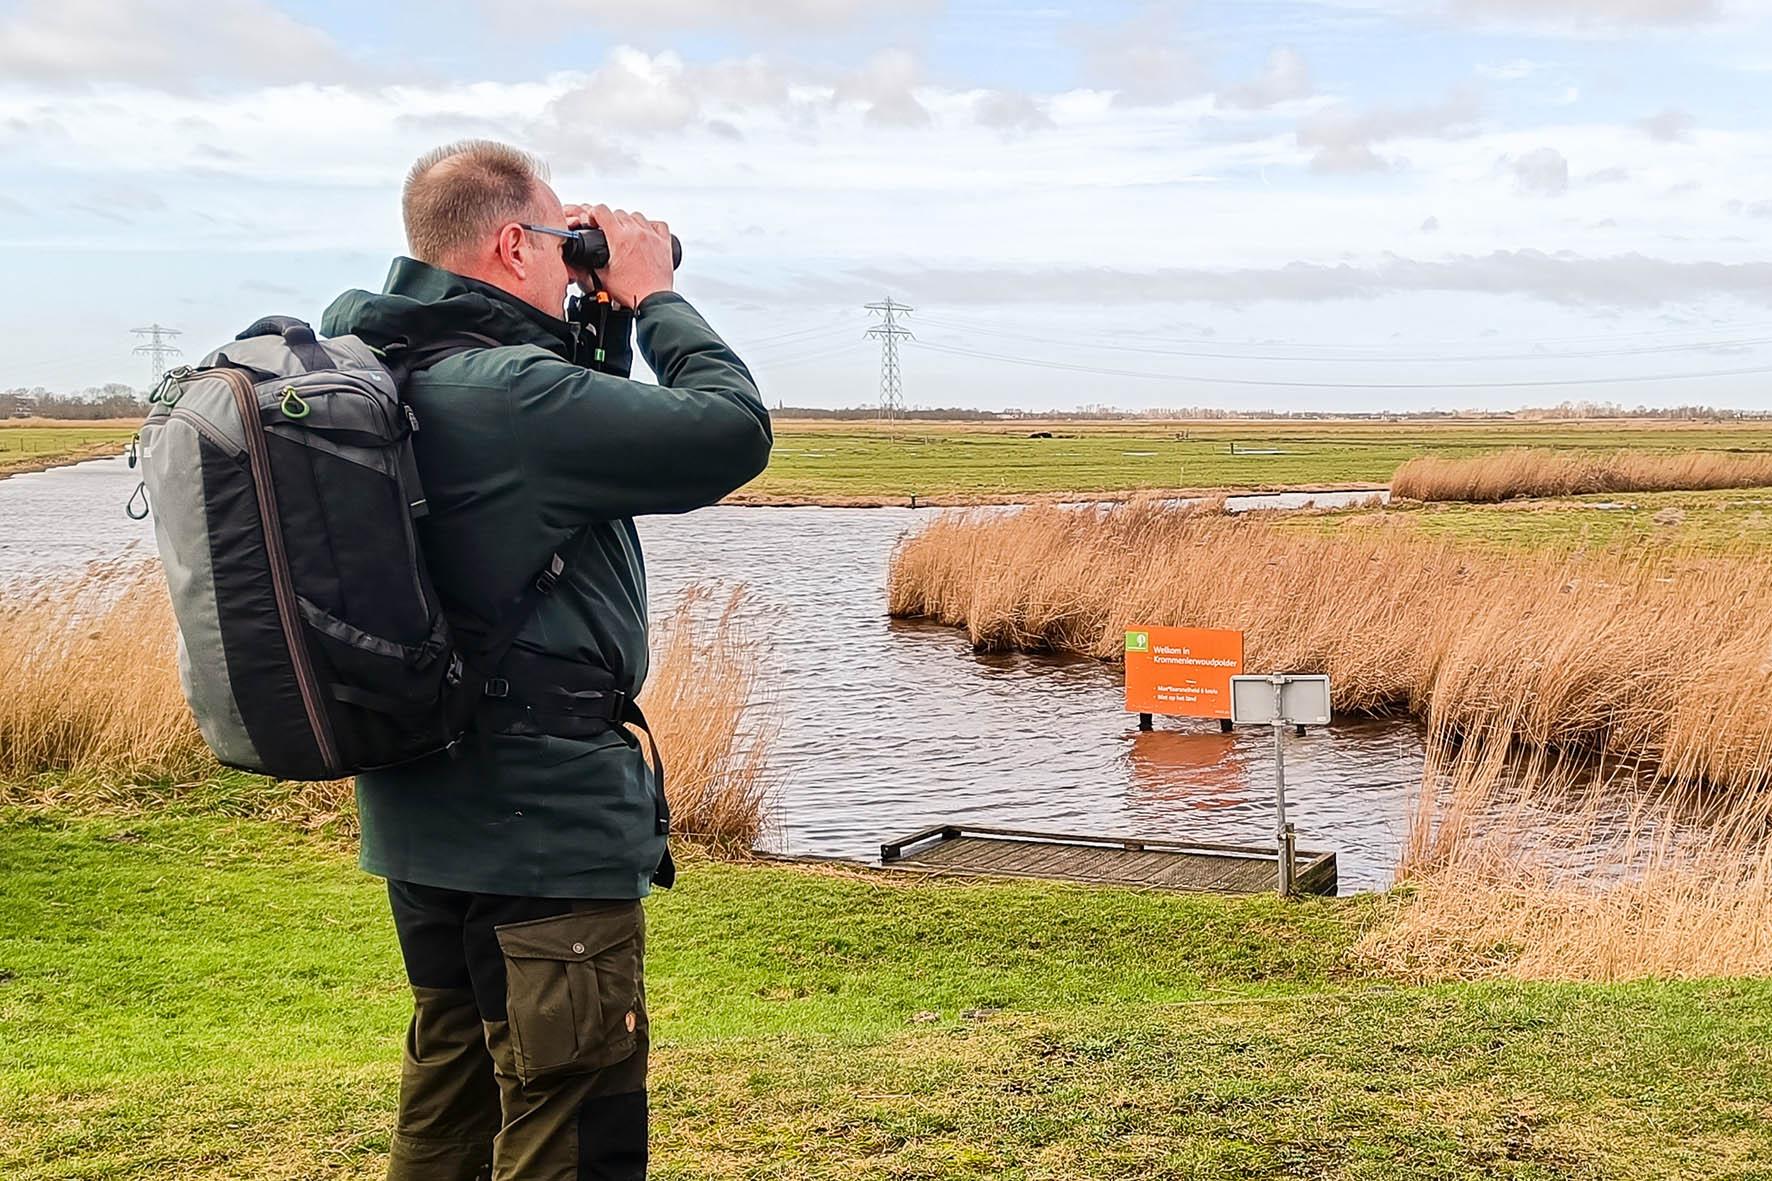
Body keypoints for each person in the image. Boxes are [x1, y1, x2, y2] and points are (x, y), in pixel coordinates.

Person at [321, 140, 772, 1180]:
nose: (579, 252)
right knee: (573, 1113)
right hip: (541, 822)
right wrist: (653, 294)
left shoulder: (387, 366)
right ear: (510, 241)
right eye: (564, 234)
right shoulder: (509, 394)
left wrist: (592, 319)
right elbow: (729, 430)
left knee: (453, 1091)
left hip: (422, 809)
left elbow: (573, 460)